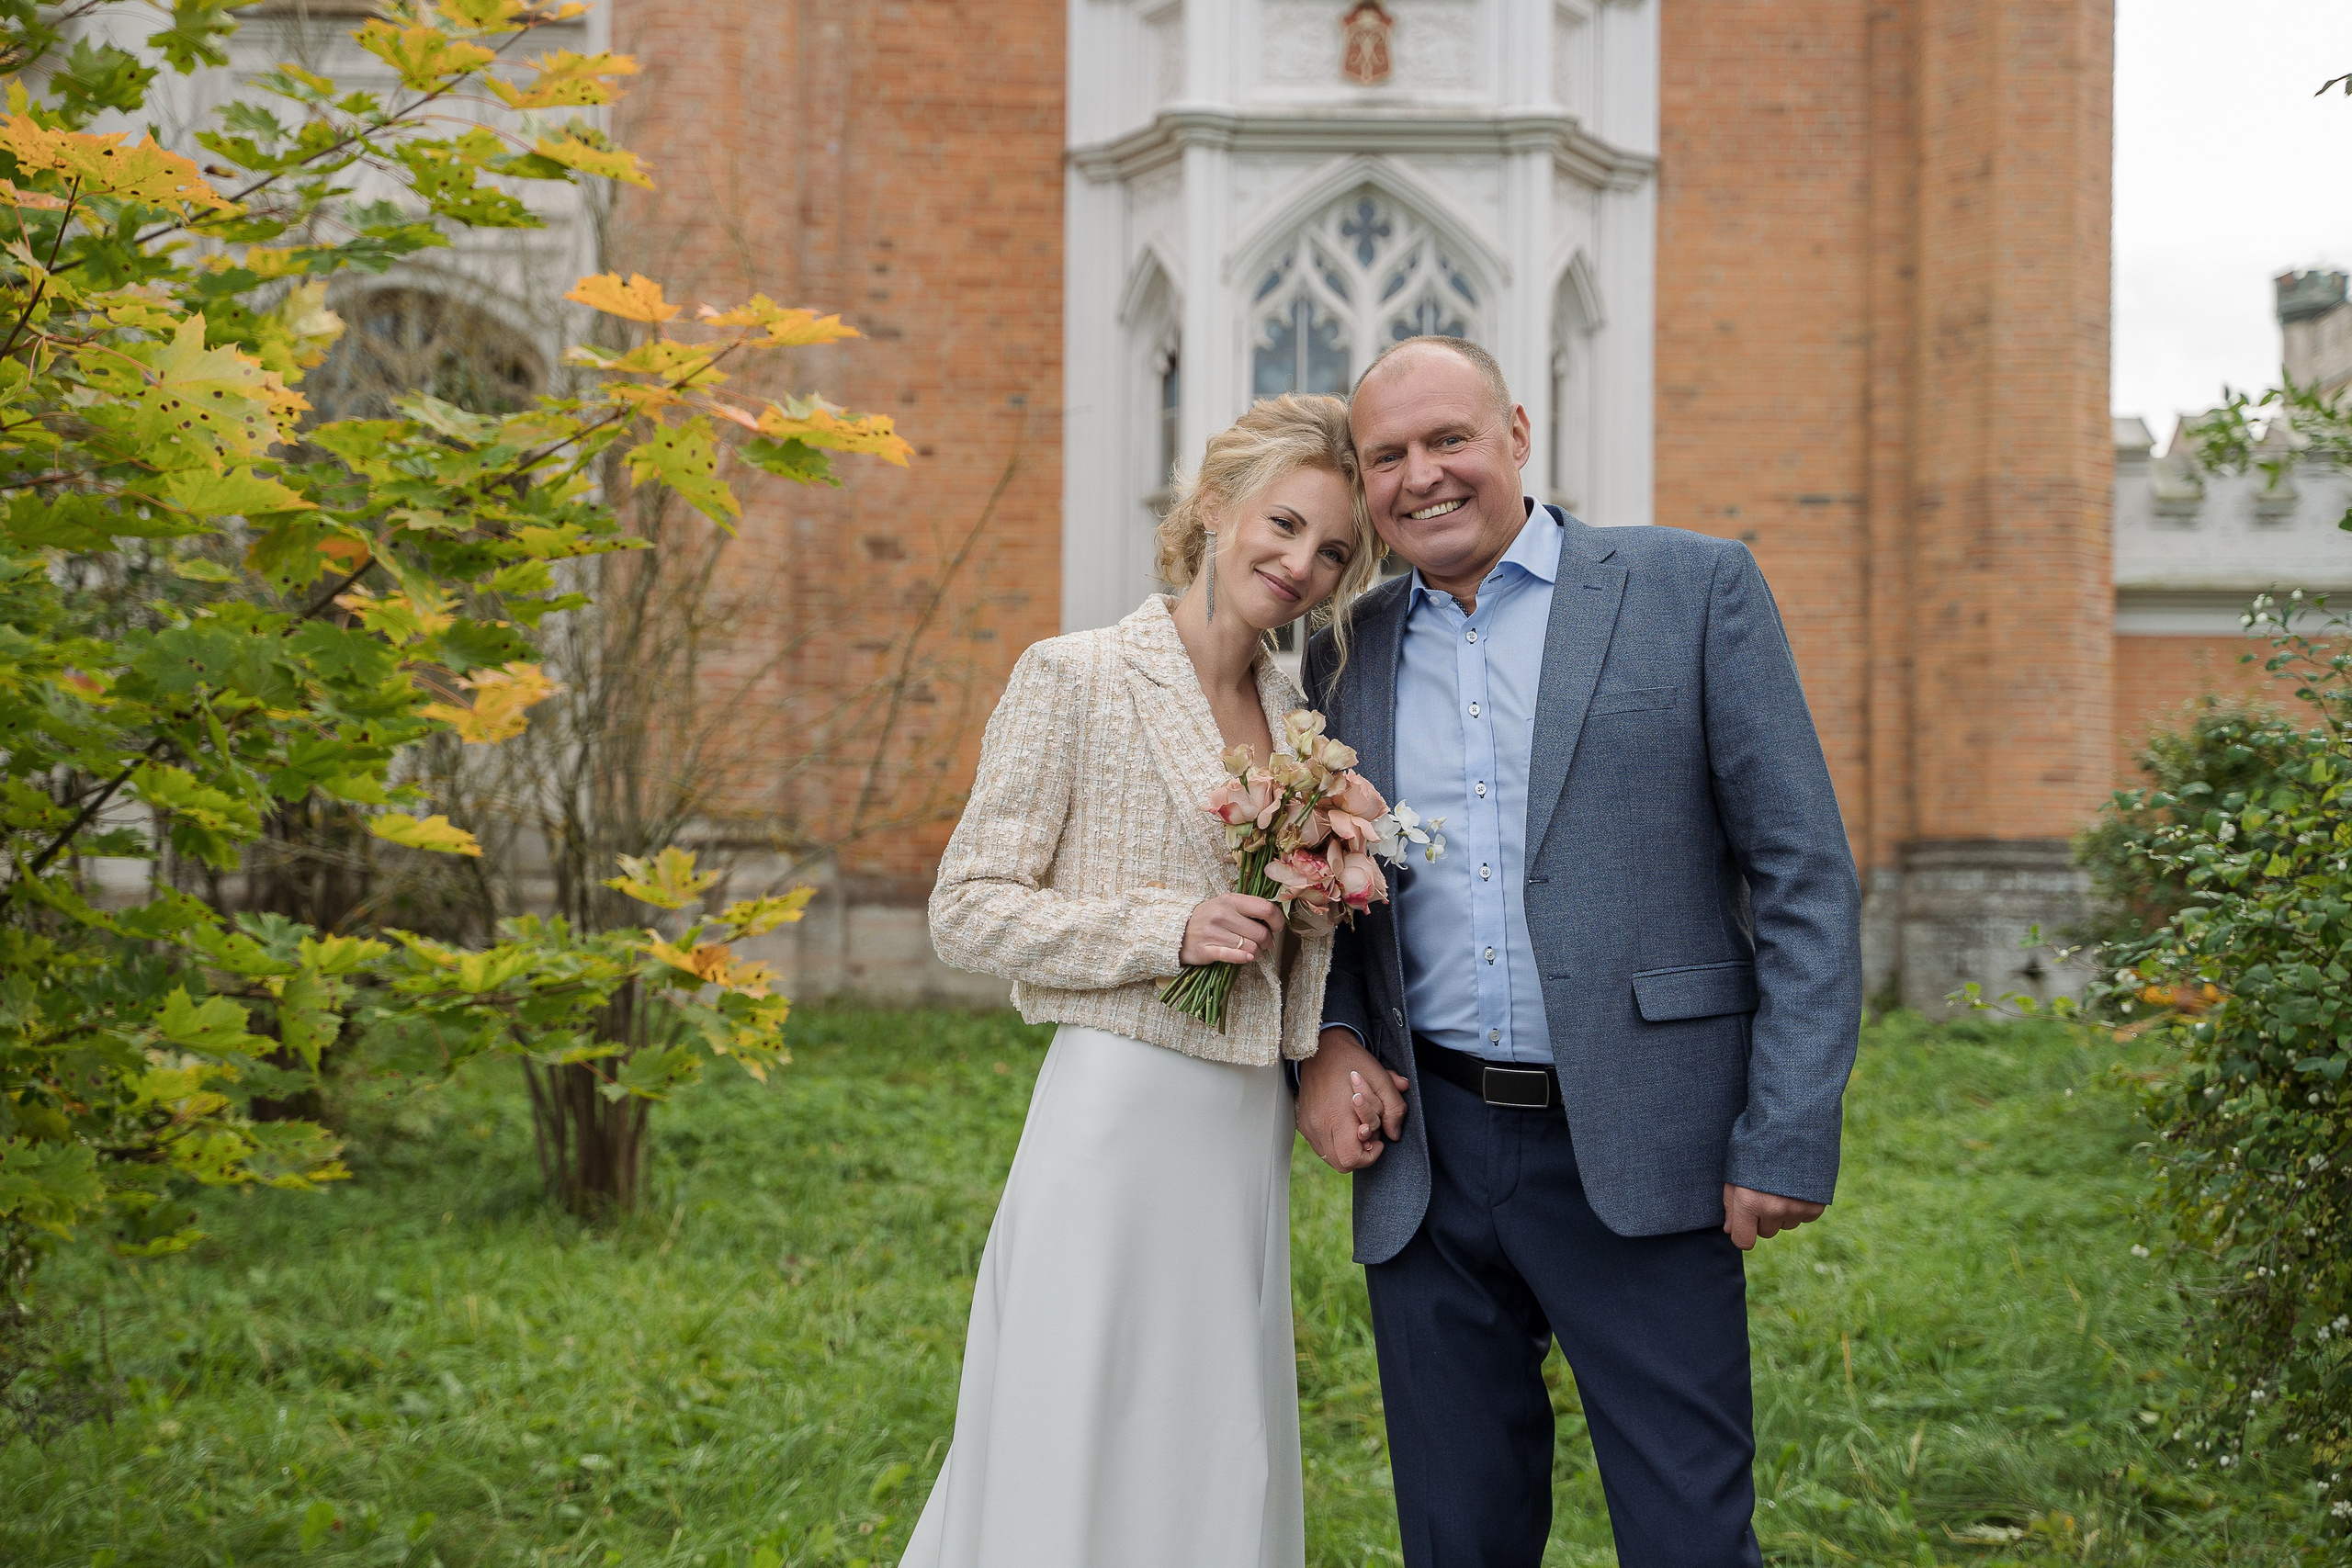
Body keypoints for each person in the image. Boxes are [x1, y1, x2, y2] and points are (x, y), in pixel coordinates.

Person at [1294, 337, 1863, 1568]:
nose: (1421, 477)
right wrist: (1333, 1035)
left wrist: (1788, 1126)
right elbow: (1336, 875)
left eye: (1447, 439)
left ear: (1516, 432)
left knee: (1690, 1537)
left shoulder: (1691, 587)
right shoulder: (1347, 644)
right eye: (1386, 456)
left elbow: (1803, 869)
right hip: (1432, 1157)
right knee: (1459, 1535)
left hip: (1650, 1141)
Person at [908, 394, 1388, 1568]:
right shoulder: (1074, 675)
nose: (1301, 565)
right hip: (1115, 1111)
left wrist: (1321, 904)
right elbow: (965, 910)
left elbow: (1281, 934)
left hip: (1239, 1121)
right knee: (1080, 1407)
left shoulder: (1299, 715)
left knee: (1212, 1421)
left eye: (1332, 551)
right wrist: (1163, 927)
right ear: (1213, 509)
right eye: (1283, 525)